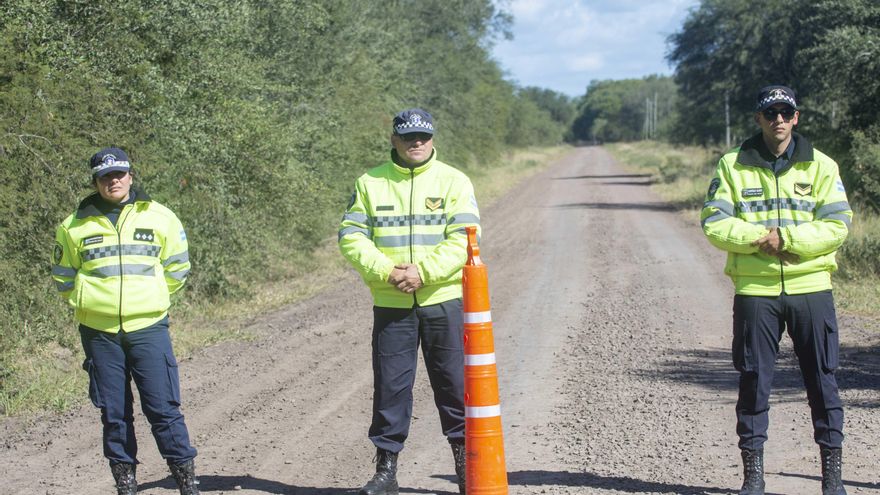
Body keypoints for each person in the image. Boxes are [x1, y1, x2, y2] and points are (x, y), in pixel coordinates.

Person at [701, 86, 852, 495]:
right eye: (771, 114)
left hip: (812, 289)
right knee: (754, 381)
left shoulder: (822, 166)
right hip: (755, 292)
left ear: (797, 117)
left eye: (786, 113)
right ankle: (753, 477)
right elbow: (714, 221)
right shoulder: (733, 165)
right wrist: (760, 238)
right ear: (759, 119)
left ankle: (832, 479)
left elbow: (838, 225)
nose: (779, 120)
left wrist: (786, 240)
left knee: (823, 381)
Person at [338, 108, 480, 495]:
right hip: (391, 303)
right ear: (394, 140)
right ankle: (386, 473)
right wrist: (388, 271)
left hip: (443, 300)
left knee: (452, 384)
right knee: (390, 388)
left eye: (423, 136)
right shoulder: (369, 182)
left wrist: (424, 272)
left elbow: (465, 238)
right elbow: (350, 237)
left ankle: (466, 468)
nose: (416, 143)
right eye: (408, 137)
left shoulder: (454, 181)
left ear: (432, 138)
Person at [51, 148, 200, 495]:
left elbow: (178, 267)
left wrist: (152, 299)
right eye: (105, 176)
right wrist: (88, 304)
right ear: (95, 182)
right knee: (114, 414)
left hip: (148, 328)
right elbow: (63, 277)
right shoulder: (73, 225)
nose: (113, 181)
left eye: (119, 174)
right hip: (99, 333)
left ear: (131, 176)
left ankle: (187, 483)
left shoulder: (161, 217)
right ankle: (126, 484)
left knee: (163, 409)